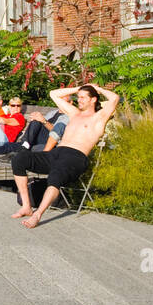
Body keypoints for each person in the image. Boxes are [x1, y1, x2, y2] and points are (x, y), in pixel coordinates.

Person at [12, 84, 119, 228]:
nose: (78, 100)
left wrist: (96, 88)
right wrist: (79, 88)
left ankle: (37, 215)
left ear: (93, 100)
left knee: (55, 177)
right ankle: (26, 206)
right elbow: (53, 94)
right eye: (78, 97)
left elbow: (114, 98)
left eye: (82, 98)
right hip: (57, 152)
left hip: (76, 157)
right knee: (19, 159)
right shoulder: (74, 113)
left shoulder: (98, 118)